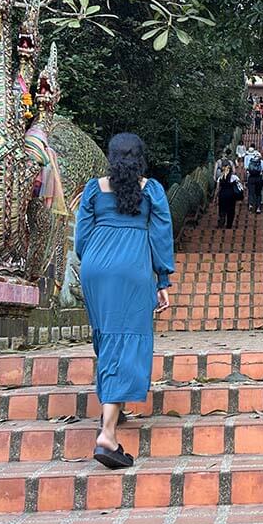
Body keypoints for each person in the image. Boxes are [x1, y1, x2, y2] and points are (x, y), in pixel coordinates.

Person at [75, 133, 174, 470]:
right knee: (126, 339)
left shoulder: (93, 188)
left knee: (108, 337)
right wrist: (163, 278)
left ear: (111, 157)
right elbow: (160, 235)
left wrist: (93, 262)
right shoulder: (152, 190)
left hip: (95, 267)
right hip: (132, 267)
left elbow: (81, 238)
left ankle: (114, 407)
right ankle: (106, 433)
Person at [215, 161, 243, 228]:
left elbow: (217, 189)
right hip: (231, 195)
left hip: (222, 195)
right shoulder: (234, 177)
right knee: (231, 210)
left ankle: (222, 221)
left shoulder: (220, 178)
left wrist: (215, 197)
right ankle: (229, 224)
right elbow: (240, 186)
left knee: (222, 209)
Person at [244, 146, 263, 213]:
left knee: (251, 192)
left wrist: (245, 180)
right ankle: (258, 208)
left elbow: (247, 170)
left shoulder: (251, 162)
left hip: (251, 178)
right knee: (258, 193)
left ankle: (251, 204)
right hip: (259, 178)